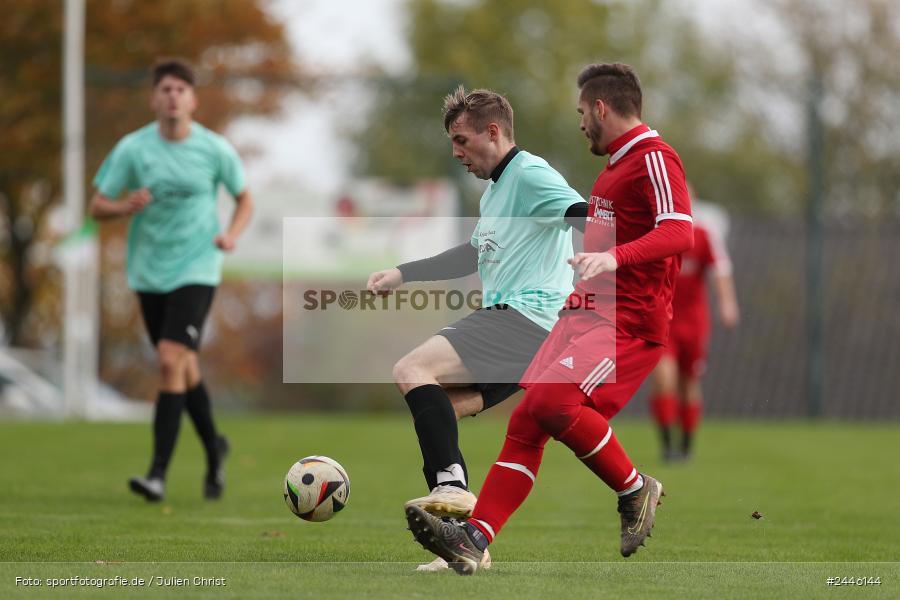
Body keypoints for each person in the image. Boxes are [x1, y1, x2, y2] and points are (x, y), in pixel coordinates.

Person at [405, 62, 694, 574]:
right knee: (527, 420)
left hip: (627, 323)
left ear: (601, 107)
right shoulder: (611, 170)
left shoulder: (654, 157)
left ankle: (635, 488)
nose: (581, 122)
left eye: (583, 112)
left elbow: (679, 232)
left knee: (556, 403)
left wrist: (614, 257)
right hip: (584, 312)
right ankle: (473, 539)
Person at [366, 86, 588, 571]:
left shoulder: (529, 174)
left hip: (527, 319)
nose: (456, 152)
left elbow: (583, 215)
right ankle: (469, 549)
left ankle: (452, 489)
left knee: (411, 368)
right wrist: (404, 273)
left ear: (493, 132)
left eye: (462, 140)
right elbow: (471, 254)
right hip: (529, 331)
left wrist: (618, 250)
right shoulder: (494, 192)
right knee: (439, 405)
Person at [89, 58, 254, 502]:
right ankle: (215, 450)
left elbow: (244, 199)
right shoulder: (133, 149)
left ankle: (157, 474)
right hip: (148, 272)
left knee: (167, 359)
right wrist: (125, 206)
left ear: (193, 99)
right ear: (154, 99)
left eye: (181, 89)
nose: (173, 96)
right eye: (165, 89)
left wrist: (231, 236)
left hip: (198, 268)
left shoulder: (214, 148)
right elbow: (96, 205)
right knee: (183, 366)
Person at [649, 196, 739, 461]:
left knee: (689, 382)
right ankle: (666, 446)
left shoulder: (701, 234)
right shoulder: (655, 232)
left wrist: (727, 303)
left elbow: (719, 269)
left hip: (693, 323)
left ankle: (686, 446)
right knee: (663, 378)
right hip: (663, 320)